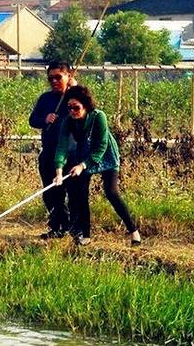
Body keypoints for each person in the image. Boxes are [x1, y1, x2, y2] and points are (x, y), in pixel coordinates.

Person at [53, 85, 141, 246]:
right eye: (69, 108)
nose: (72, 111)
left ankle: (134, 231)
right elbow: (62, 147)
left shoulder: (98, 116)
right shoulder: (68, 122)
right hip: (84, 155)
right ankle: (85, 234)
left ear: (85, 105)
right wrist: (59, 172)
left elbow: (101, 147)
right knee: (81, 194)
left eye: (76, 107)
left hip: (105, 155)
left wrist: (82, 165)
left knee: (112, 192)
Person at [29, 61, 76, 239]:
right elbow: (32, 120)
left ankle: (75, 228)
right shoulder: (45, 99)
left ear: (68, 77)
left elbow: (89, 109)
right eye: (51, 78)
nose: (54, 81)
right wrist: (44, 119)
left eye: (58, 77)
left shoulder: (74, 97)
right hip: (48, 152)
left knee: (72, 193)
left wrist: (76, 88)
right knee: (50, 193)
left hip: (70, 154)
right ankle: (57, 227)